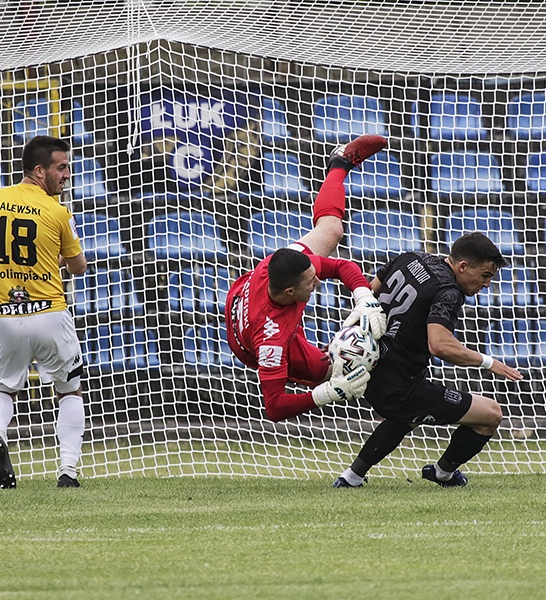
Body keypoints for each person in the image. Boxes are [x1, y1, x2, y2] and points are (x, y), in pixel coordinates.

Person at [333, 232, 524, 488]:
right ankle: (442, 473)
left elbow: (368, 293)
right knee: (491, 415)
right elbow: (440, 345)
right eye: (485, 275)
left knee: (408, 416)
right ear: (463, 266)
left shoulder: (410, 258)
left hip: (370, 369)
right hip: (399, 385)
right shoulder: (448, 290)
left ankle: (351, 477)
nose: (487, 284)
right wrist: (490, 363)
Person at [224, 134, 389, 422]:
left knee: (332, 230)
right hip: (249, 339)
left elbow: (342, 267)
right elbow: (274, 408)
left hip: (255, 293)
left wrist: (363, 297)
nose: (319, 282)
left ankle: (340, 161)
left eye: (315, 275)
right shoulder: (272, 341)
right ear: (290, 292)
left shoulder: (281, 265)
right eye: (311, 283)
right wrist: (325, 394)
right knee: (335, 371)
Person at [0, 135, 89, 489]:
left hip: (6, 318)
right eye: (61, 167)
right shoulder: (57, 211)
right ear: (39, 170)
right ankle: (67, 472)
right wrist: (61, 257)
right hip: (50, 314)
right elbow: (78, 266)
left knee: (2, 388)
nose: (67, 175)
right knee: (69, 391)